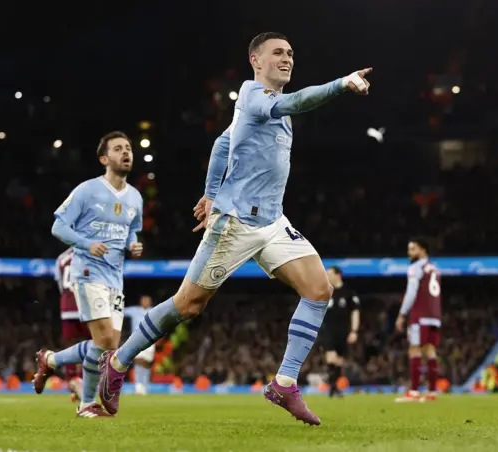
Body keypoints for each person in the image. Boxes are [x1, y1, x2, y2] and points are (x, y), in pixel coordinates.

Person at [98, 32, 372, 426]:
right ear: (255, 61)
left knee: (319, 289)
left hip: (273, 221)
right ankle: (119, 361)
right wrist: (341, 84)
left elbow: (222, 145)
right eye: (277, 52)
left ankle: (285, 383)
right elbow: (296, 101)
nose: (287, 58)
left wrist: (209, 192)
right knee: (188, 305)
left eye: (291, 53)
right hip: (236, 222)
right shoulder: (254, 96)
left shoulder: (258, 109)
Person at [33, 131, 143, 418]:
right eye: (118, 149)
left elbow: (133, 228)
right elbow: (59, 227)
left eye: (128, 148)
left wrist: (133, 243)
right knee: (104, 340)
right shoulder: (87, 190)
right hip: (87, 271)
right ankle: (85, 405)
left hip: (115, 277)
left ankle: (51, 359)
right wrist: (86, 243)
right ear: (104, 159)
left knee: (108, 346)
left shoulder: (135, 197)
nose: (126, 152)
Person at [394, 239, 442, 403]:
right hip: (434, 316)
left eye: (413, 249)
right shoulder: (435, 268)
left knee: (414, 349)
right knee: (430, 350)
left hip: (419, 315)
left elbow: (411, 292)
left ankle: (414, 392)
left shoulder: (416, 268)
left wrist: (402, 313)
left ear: (423, 250)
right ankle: (432, 392)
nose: (409, 253)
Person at [54, 247, 91, 402]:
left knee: (70, 344)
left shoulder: (61, 258)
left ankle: (71, 380)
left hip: (67, 305)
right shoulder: (88, 253)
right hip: (84, 304)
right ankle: (84, 381)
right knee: (90, 344)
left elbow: (60, 285)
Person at [321, 266, 360, 398]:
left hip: (344, 331)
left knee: (339, 360)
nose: (327, 276)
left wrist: (354, 331)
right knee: (330, 357)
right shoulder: (325, 292)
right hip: (328, 330)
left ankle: (335, 387)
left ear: (338, 275)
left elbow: (355, 312)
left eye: (329, 274)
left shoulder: (348, 293)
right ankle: (333, 388)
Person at [124, 295, 155, 395]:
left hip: (150, 340)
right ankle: (138, 386)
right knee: (138, 361)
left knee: (146, 363)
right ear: (141, 302)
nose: (145, 302)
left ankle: (145, 385)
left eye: (147, 301)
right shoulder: (134, 310)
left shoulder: (154, 311)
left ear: (150, 302)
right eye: (144, 301)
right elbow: (121, 311)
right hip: (137, 339)